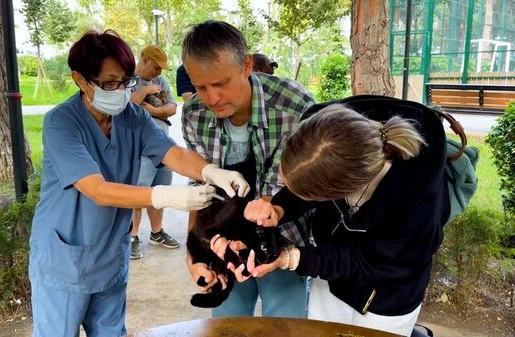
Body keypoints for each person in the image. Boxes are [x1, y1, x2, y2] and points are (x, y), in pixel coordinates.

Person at [28, 30, 249, 337]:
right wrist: (164, 196)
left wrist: (211, 171)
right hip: (65, 259)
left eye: (125, 80)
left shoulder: (132, 117)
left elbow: (172, 153)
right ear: (80, 80)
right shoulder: (62, 123)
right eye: (109, 83)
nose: (119, 90)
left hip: (109, 255)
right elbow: (97, 189)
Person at [225, 100, 450, 336]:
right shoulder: (325, 131)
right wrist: (278, 208)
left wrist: (290, 258)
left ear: (342, 191)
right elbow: (309, 178)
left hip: (390, 290)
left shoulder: (413, 206)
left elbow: (369, 263)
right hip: (333, 271)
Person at [181, 20, 315, 318]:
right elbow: (200, 189)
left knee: (284, 324)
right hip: (223, 239)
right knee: (227, 322)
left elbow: (278, 191)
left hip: (282, 237)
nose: (211, 98)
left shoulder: (296, 106)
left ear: (246, 65)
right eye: (200, 87)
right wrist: (195, 252)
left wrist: (259, 245)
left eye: (220, 84)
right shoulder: (194, 114)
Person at [129, 45, 179, 259]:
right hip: (141, 147)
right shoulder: (128, 80)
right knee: (138, 193)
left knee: (160, 192)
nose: (158, 73)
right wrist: (145, 92)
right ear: (145, 60)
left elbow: (173, 108)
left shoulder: (161, 82)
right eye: (156, 67)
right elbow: (127, 105)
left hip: (163, 144)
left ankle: (156, 232)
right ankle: (131, 236)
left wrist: (154, 111)